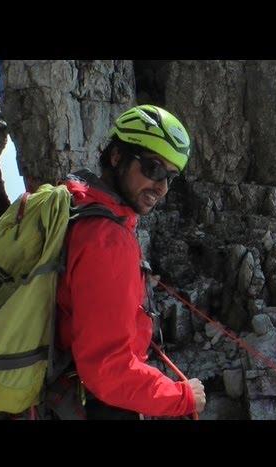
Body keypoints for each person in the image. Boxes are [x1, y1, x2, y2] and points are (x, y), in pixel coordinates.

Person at [54, 105, 205, 420]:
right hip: (95, 405)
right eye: (153, 168)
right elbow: (108, 370)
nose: (162, 187)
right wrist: (182, 396)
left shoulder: (78, 207)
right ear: (117, 156)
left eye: (170, 177)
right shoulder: (107, 238)